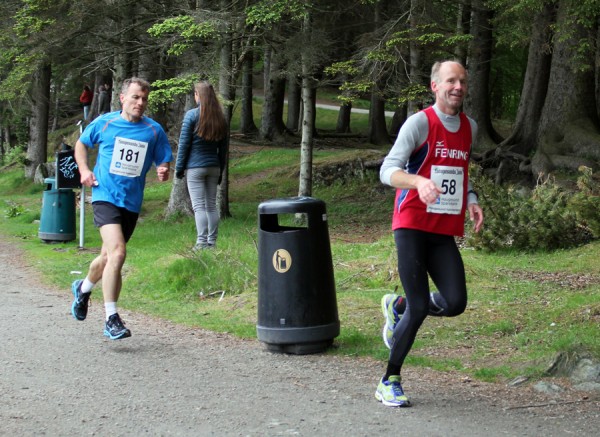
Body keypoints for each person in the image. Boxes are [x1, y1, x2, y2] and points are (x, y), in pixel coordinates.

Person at [375, 60, 484, 407]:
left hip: (442, 229)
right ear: (435, 86)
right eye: (451, 80)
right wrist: (418, 181)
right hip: (410, 224)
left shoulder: (471, 127)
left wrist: (471, 199)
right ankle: (389, 380)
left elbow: (460, 170)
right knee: (422, 306)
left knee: (455, 303)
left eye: (463, 81)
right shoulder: (420, 123)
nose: (458, 87)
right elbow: (387, 170)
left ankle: (399, 307)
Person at [71, 77, 173, 340]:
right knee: (118, 253)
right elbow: (81, 144)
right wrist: (84, 170)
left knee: (107, 258)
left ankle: (83, 289)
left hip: (131, 202)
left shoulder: (153, 130)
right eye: (136, 97)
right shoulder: (105, 123)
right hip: (104, 195)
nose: (140, 103)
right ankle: (111, 318)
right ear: (122, 98)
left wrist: (163, 170)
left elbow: (163, 160)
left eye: (144, 99)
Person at [175, 81, 228, 250]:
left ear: (199, 96)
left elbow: (184, 145)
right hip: (214, 166)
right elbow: (223, 149)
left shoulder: (191, 115)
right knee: (211, 205)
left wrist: (179, 168)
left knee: (199, 207)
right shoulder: (221, 118)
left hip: (195, 168)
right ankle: (212, 243)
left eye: (195, 94)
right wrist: (220, 171)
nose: (194, 96)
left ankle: (200, 243)